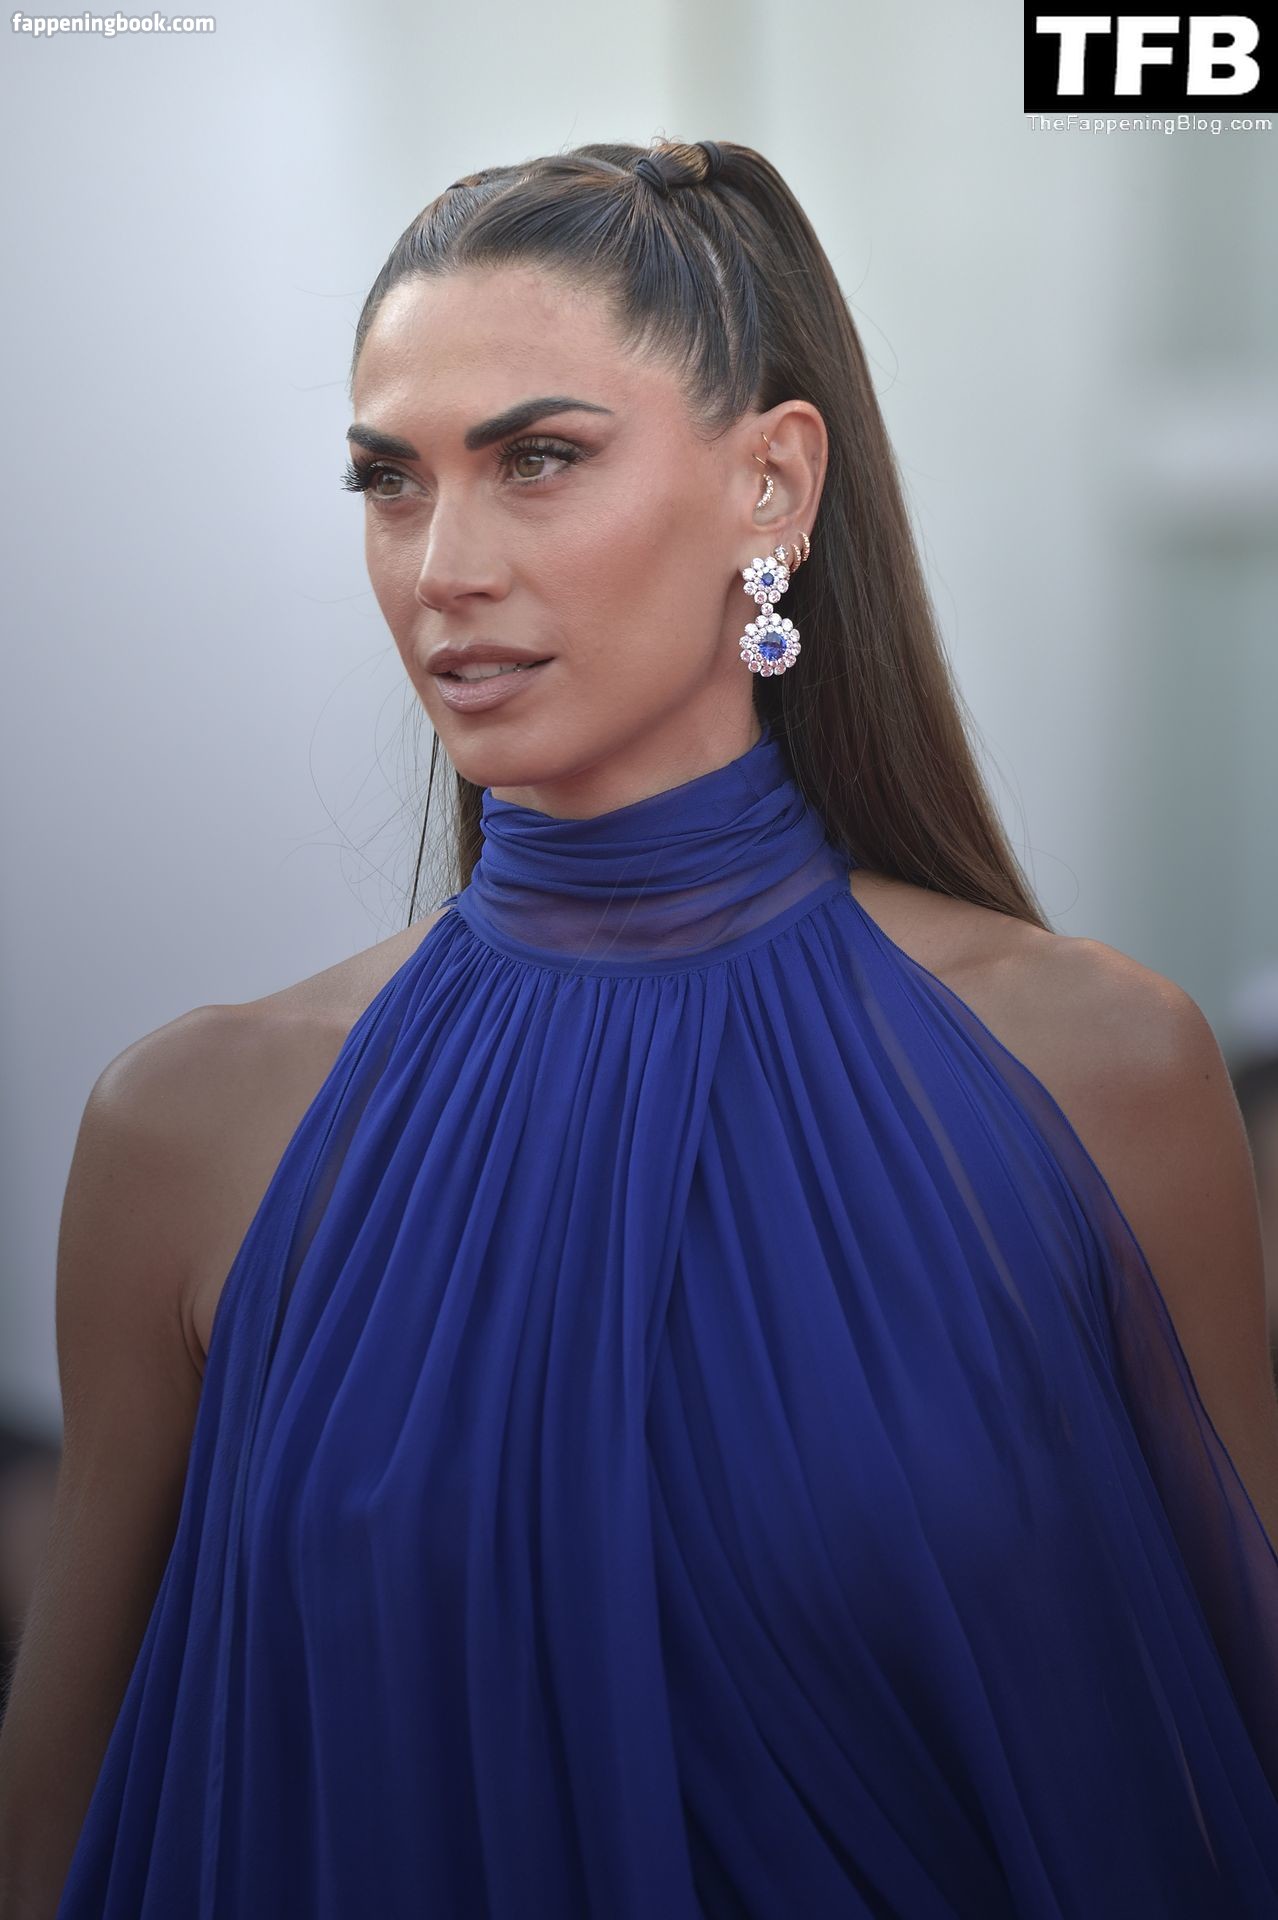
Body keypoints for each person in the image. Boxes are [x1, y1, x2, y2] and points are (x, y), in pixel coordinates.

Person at [2, 136, 1278, 1919]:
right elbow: (58, 1838)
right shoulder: (191, 1130)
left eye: (537, 460)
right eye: (388, 482)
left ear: (772, 483)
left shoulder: (1094, 1072)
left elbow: (1225, 1759)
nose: (443, 566)